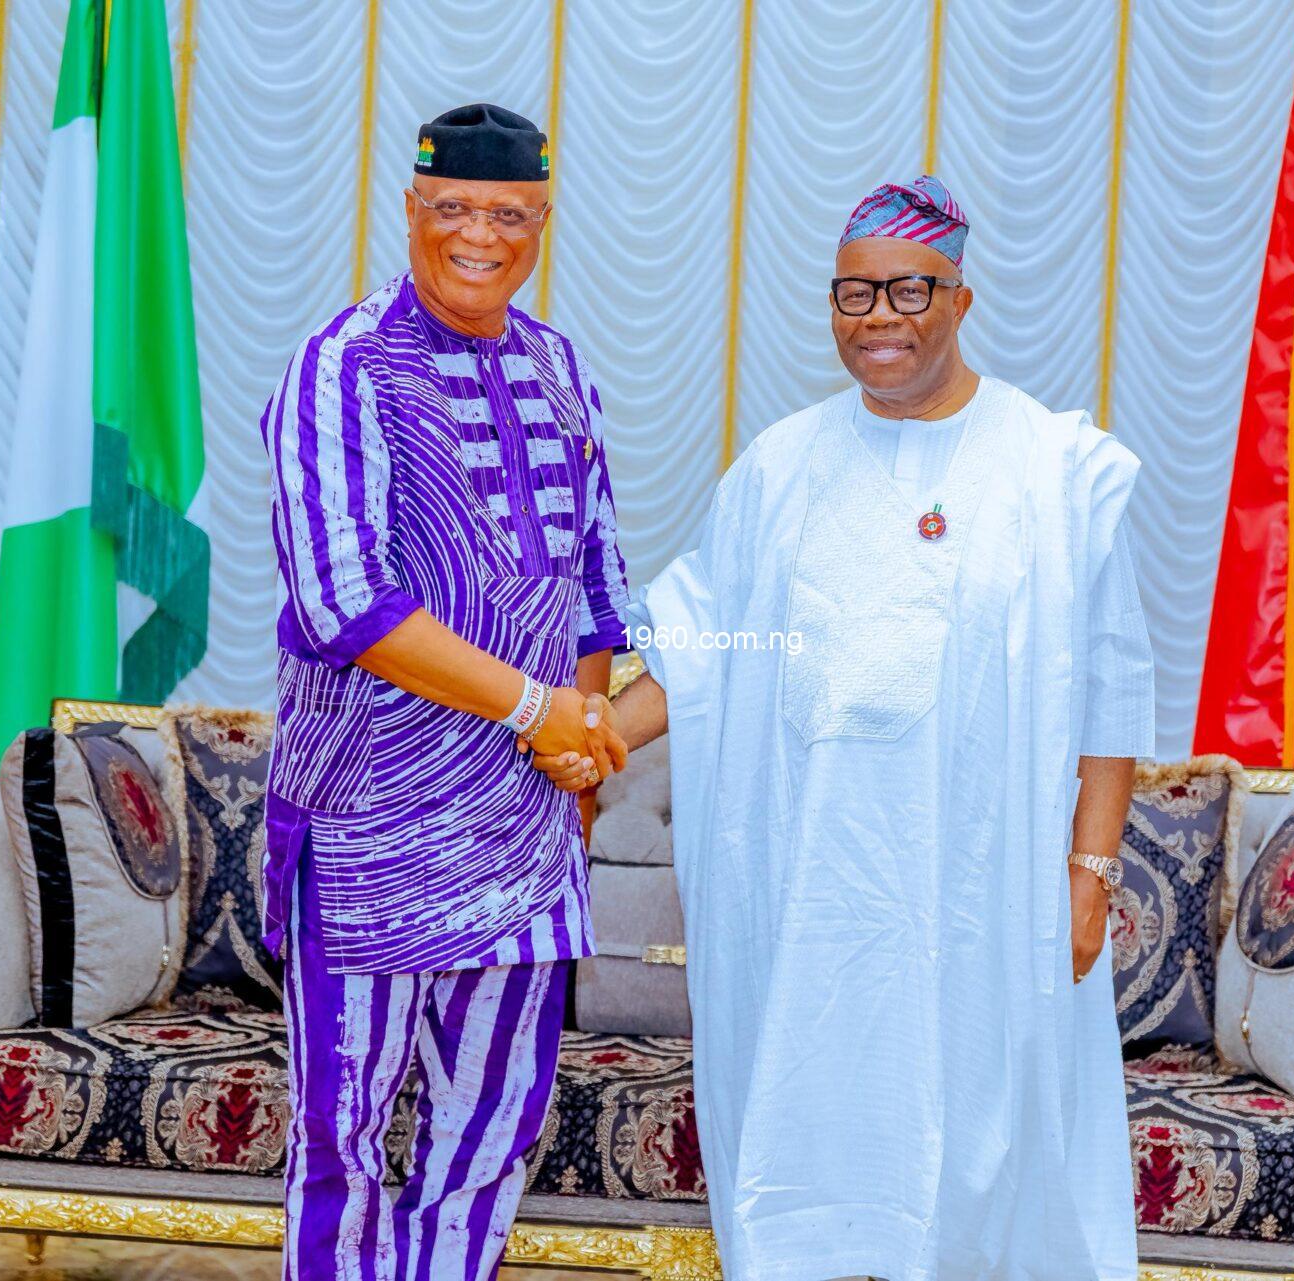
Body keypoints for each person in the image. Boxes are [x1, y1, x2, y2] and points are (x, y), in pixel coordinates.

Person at [539, 175, 1154, 1280]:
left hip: (984, 889)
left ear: (960, 298)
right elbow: (707, 643)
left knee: (986, 1146)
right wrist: (591, 737)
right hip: (813, 889)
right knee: (811, 1135)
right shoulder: (783, 467)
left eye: (909, 289)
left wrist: (1091, 871)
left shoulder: (1053, 470)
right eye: (854, 293)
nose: (879, 317)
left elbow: (1109, 686)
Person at [262, 102, 631, 1280]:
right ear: (413, 208)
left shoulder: (561, 367)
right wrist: (536, 710)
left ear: (542, 222)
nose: (481, 235)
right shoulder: (342, 367)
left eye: (510, 215)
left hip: (522, 834)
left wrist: (577, 753)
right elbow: (344, 603)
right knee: (345, 1139)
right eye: (456, 209)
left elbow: (591, 586)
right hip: (367, 826)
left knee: (490, 1138)